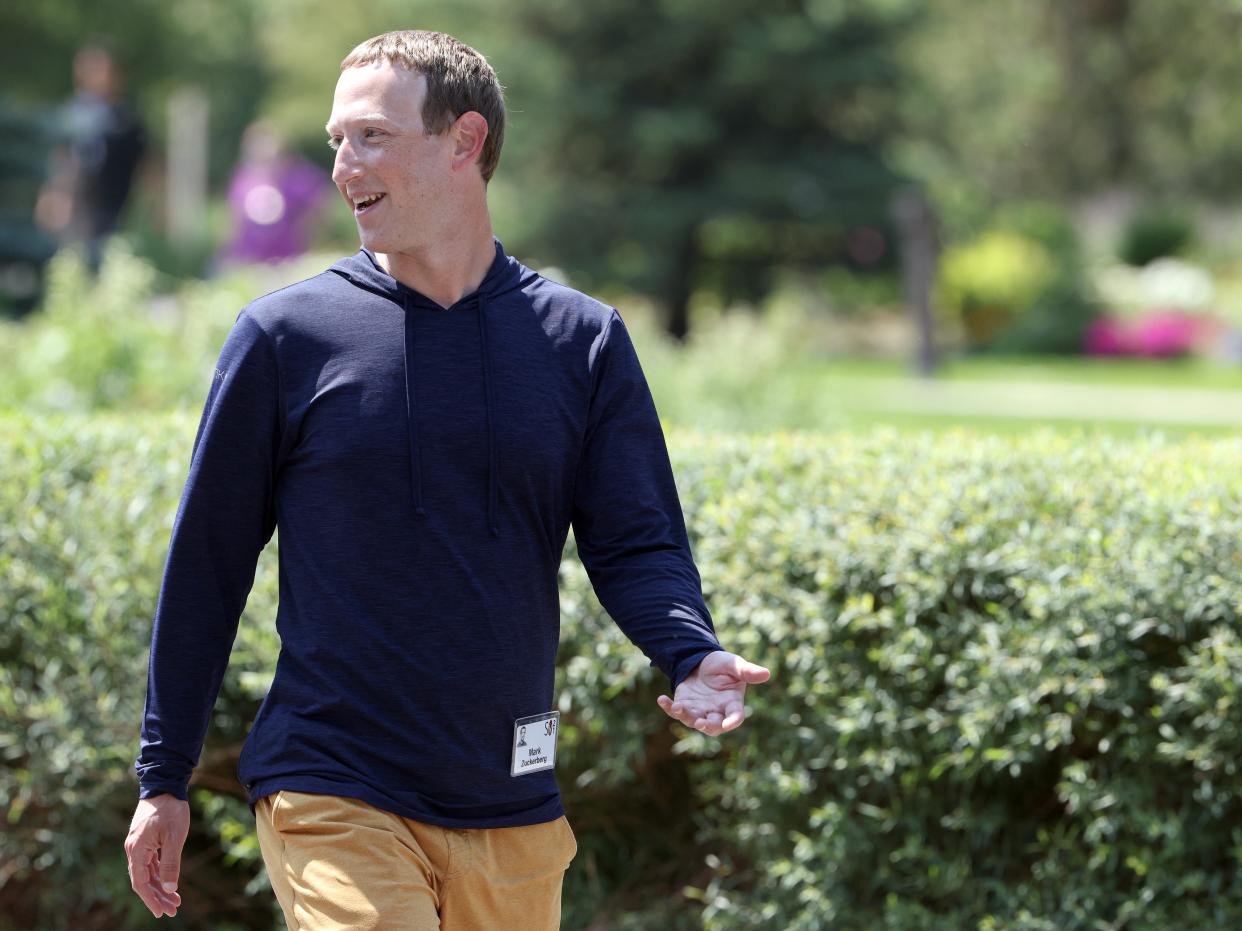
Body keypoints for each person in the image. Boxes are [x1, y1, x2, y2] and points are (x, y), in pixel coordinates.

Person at [124, 30, 770, 929]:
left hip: (512, 802)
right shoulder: (284, 340)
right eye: (336, 140)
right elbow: (207, 565)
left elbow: (636, 539)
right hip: (332, 783)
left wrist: (689, 648)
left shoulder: (582, 343)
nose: (345, 166)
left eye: (372, 137)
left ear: (465, 143)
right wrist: (164, 778)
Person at [35, 44, 146, 272]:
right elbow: (60, 157)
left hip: (113, 198)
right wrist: (53, 193)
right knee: (71, 255)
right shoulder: (72, 113)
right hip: (77, 196)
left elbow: (144, 158)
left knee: (108, 254)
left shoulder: (126, 118)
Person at [217, 119, 332, 268]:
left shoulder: (298, 178)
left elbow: (320, 207)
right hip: (249, 262)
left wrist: (307, 235)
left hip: (288, 261)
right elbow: (233, 220)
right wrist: (226, 252)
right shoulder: (243, 179)